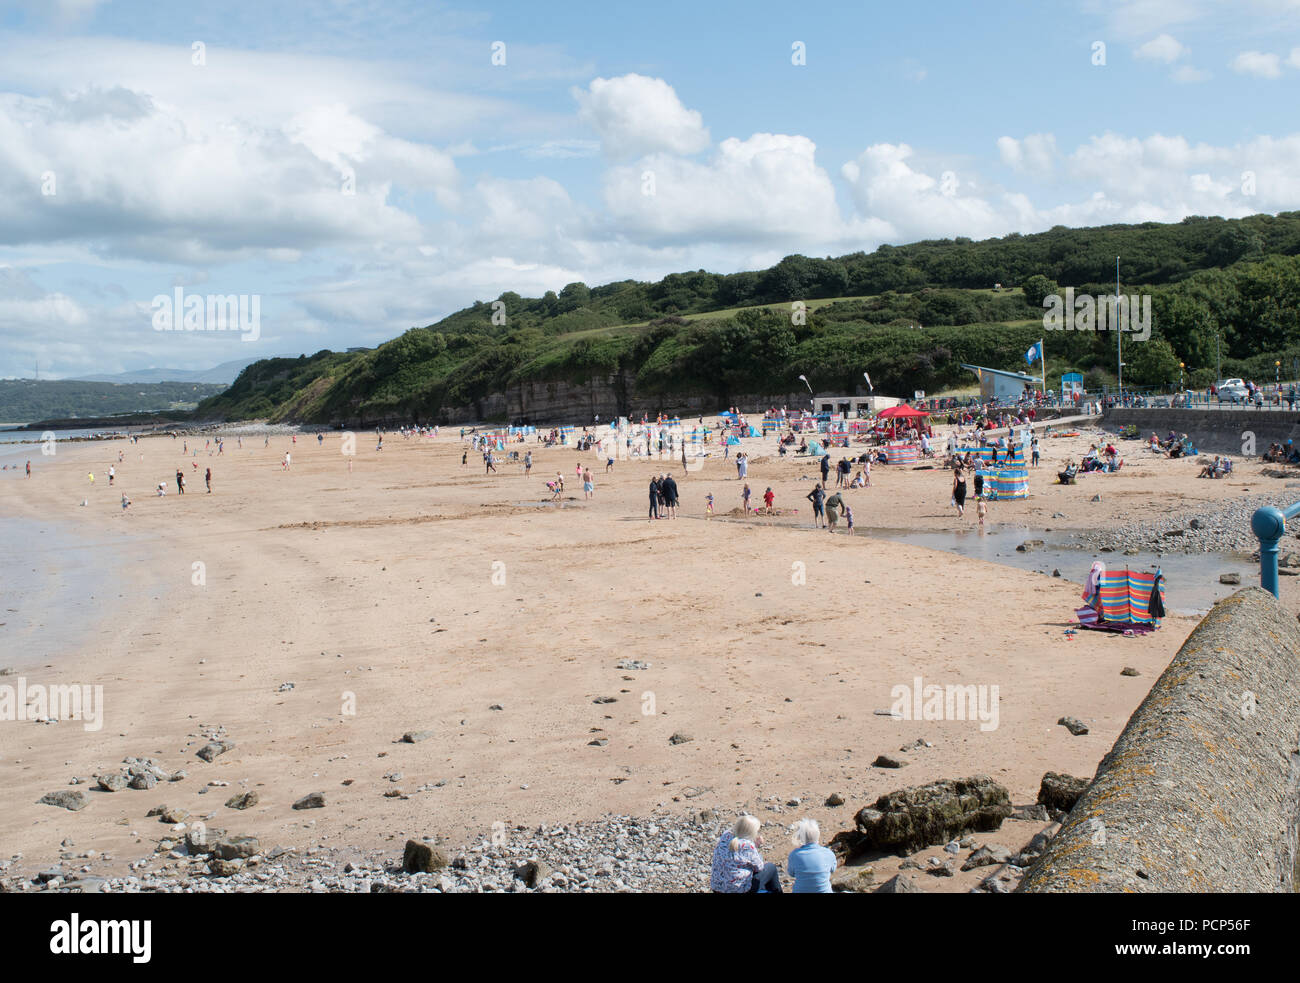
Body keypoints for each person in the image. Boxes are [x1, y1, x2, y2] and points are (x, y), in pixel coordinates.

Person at [710, 815, 782, 893]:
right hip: (739, 890)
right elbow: (759, 867)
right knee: (771, 868)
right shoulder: (747, 845)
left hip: (717, 888)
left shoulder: (726, 835)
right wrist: (756, 845)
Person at [787, 818, 837, 893]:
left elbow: (791, 873)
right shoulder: (828, 853)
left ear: (801, 838)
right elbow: (832, 869)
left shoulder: (795, 855)